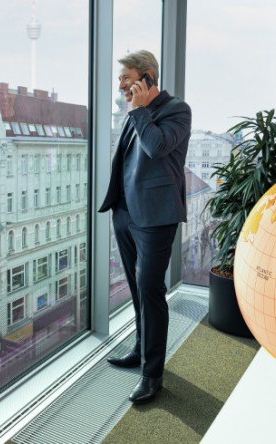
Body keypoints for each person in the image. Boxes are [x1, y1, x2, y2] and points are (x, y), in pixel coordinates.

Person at [99, 50, 191, 404]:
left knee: (150, 292)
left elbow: (156, 147)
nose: (120, 84)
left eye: (126, 77)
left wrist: (139, 111)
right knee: (137, 290)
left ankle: (152, 374)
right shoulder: (133, 113)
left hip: (155, 216)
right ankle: (140, 349)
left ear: (147, 77)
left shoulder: (177, 110)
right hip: (125, 212)